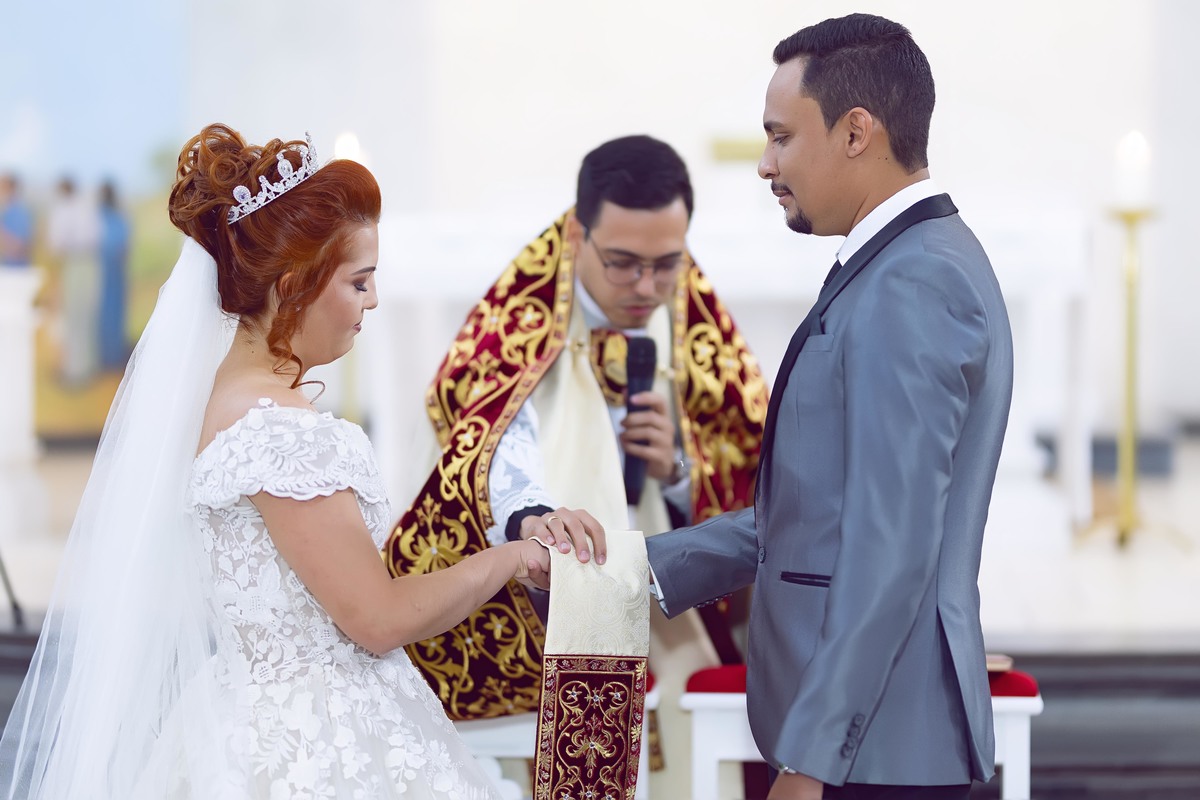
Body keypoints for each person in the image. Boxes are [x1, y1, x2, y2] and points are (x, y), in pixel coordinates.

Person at [0, 123, 568, 799]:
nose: (373, 300)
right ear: (296, 285)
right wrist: (511, 558)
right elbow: (377, 619)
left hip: (241, 716)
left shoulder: (215, 399)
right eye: (360, 282)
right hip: (320, 743)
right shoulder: (281, 431)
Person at [642, 14, 1014, 800]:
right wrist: (629, 570)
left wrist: (811, 762)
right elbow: (816, 515)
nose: (765, 165)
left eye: (781, 137)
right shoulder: (901, 263)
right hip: (874, 746)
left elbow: (891, 545)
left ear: (855, 132)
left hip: (874, 756)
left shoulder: (912, 282)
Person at [385, 135, 769, 791]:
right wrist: (532, 518)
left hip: (666, 606)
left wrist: (678, 469)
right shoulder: (519, 317)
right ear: (576, 233)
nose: (646, 287)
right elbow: (491, 441)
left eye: (666, 264)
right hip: (545, 607)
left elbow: (747, 459)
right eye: (622, 264)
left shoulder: (692, 314)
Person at [47, 176, 101, 386]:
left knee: (75, 317)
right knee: (84, 316)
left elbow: (57, 242)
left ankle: (75, 371)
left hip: (74, 263)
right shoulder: (86, 207)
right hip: (88, 264)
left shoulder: (65, 210)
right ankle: (84, 367)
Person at [97, 179, 131, 370]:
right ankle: (109, 355)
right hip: (109, 272)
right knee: (108, 313)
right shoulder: (115, 217)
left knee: (110, 313)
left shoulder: (105, 217)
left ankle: (111, 355)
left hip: (109, 272)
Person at [0, 172, 34, 267]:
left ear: (11, 189)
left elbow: (20, 247)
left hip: (16, 268)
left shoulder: (20, 212)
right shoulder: (5, 211)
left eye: (2, 188)